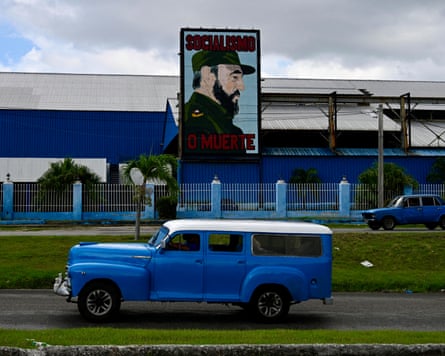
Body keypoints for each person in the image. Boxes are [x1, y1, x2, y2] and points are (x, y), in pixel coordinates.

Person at [183, 50, 255, 155]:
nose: (242, 87)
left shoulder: (231, 129)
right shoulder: (195, 124)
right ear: (207, 76)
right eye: (234, 77)